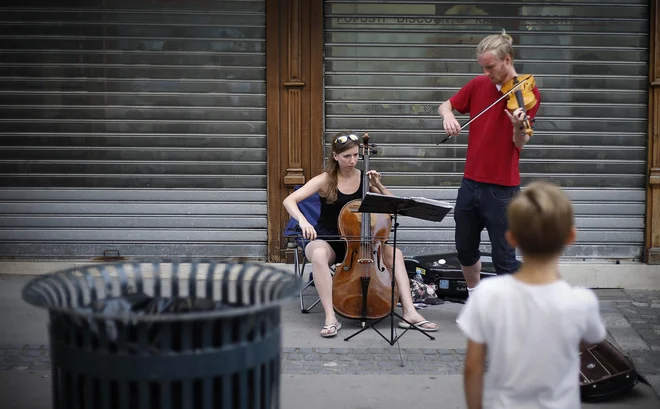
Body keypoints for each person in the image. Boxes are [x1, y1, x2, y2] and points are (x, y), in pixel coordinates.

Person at [456, 181, 607, 409]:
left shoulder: (487, 295)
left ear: (511, 237)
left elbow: (473, 367)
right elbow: (590, 340)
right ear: (571, 236)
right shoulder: (582, 302)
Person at [283, 131, 439, 337]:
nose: (353, 160)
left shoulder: (365, 178)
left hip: (362, 243)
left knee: (397, 254)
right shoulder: (325, 179)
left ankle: (410, 312)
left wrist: (379, 185)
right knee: (319, 255)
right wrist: (302, 221)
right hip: (329, 240)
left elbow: (396, 206)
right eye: (347, 156)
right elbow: (289, 200)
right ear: (336, 156)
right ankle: (331, 317)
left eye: (356, 155)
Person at [438, 29, 542, 293]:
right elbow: (445, 105)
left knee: (504, 258)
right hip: (470, 183)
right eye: (482, 67)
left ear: (507, 60)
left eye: (490, 67)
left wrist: (519, 127)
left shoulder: (527, 94)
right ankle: (475, 298)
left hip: (503, 189)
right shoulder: (477, 85)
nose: (486, 73)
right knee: (464, 248)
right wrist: (448, 116)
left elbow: (521, 144)